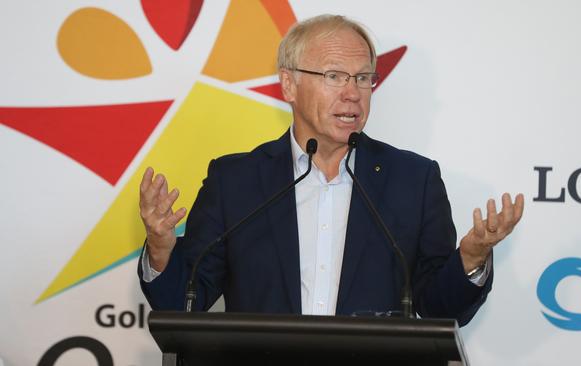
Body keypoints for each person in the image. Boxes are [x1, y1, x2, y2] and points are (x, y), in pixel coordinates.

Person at [137, 15, 524, 326]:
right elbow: (184, 304)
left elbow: (441, 310)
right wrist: (160, 247)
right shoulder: (235, 181)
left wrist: (470, 258)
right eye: (335, 76)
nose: (352, 93)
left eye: (363, 78)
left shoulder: (414, 181)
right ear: (289, 84)